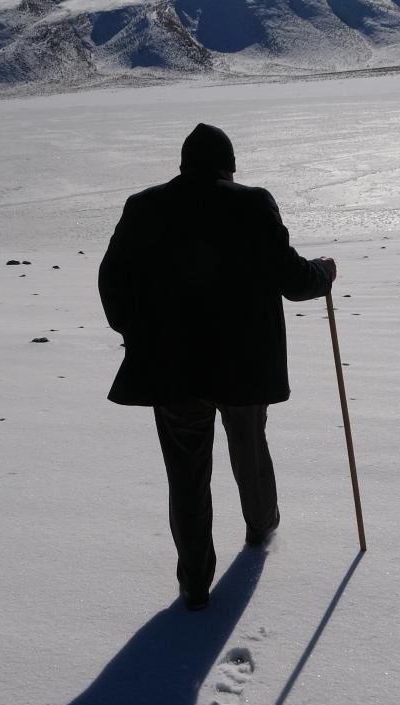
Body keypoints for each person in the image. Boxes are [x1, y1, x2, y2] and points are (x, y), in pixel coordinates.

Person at [98, 123, 336, 611]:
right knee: (249, 446)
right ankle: (261, 529)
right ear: (229, 165)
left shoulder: (144, 206)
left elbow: (111, 282)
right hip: (243, 366)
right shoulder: (252, 203)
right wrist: (324, 273)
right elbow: (292, 279)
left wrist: (136, 334)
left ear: (184, 164)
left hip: (171, 367)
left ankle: (194, 583)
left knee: (186, 474)